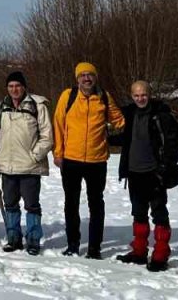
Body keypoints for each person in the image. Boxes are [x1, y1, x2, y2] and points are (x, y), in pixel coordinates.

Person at [52, 61, 125, 258]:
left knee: (96, 204)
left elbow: (120, 121)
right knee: (71, 203)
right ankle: (73, 244)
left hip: (97, 159)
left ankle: (94, 248)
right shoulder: (68, 96)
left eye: (90, 75)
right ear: (77, 79)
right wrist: (58, 152)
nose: (86, 78)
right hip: (71, 159)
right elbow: (58, 124)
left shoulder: (103, 96)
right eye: (82, 75)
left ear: (95, 77)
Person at [115, 80, 178, 272]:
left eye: (143, 94)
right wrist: (102, 138)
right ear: (132, 96)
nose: (140, 98)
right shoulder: (129, 113)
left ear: (149, 94)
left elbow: (173, 143)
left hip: (155, 173)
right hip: (134, 173)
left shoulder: (162, 115)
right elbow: (126, 138)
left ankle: (161, 254)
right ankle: (139, 252)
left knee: (159, 213)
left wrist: (164, 168)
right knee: (138, 213)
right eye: (136, 95)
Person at [0, 70, 52, 255]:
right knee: (10, 204)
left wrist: (34, 156)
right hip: (7, 166)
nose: (14, 89)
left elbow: (47, 136)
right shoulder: (2, 106)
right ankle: (14, 238)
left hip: (29, 167)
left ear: (24, 87)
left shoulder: (37, 106)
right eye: (11, 86)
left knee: (32, 205)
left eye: (17, 86)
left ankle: (33, 240)